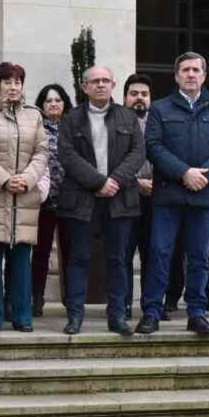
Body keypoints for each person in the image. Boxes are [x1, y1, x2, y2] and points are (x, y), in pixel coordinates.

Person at [136, 52, 209, 336]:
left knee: (199, 257)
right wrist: (184, 173)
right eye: (185, 70)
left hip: (204, 194)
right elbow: (153, 146)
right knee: (160, 253)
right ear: (176, 75)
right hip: (168, 195)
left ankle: (196, 313)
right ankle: (152, 311)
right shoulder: (160, 108)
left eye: (196, 70)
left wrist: (205, 174)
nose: (191, 74)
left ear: (204, 75)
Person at [56, 66, 144, 335]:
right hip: (83, 199)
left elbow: (138, 152)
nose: (101, 85)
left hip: (120, 199)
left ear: (114, 85)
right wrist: (98, 182)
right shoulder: (71, 119)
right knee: (78, 258)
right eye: (95, 81)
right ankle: (75, 316)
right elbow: (67, 155)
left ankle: (117, 316)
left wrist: (114, 180)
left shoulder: (128, 117)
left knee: (118, 259)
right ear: (85, 87)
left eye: (106, 80)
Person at [0, 62, 49, 333]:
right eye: (7, 82)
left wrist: (26, 179)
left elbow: (41, 152)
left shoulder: (34, 116)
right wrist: (4, 179)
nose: (13, 87)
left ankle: (21, 316)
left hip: (24, 198)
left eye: (17, 82)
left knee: (21, 262)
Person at [30, 83, 72, 317]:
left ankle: (71, 298)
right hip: (43, 200)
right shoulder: (36, 129)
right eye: (48, 101)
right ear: (42, 105)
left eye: (57, 100)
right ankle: (36, 298)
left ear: (64, 103)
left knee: (70, 251)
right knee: (41, 252)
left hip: (69, 200)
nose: (53, 104)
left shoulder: (74, 127)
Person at [122, 73, 153, 320]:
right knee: (122, 255)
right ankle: (122, 306)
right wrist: (134, 182)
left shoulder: (159, 122)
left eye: (144, 94)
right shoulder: (115, 122)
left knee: (152, 256)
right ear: (125, 97)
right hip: (123, 198)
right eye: (134, 94)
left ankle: (151, 306)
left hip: (155, 199)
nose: (139, 99)